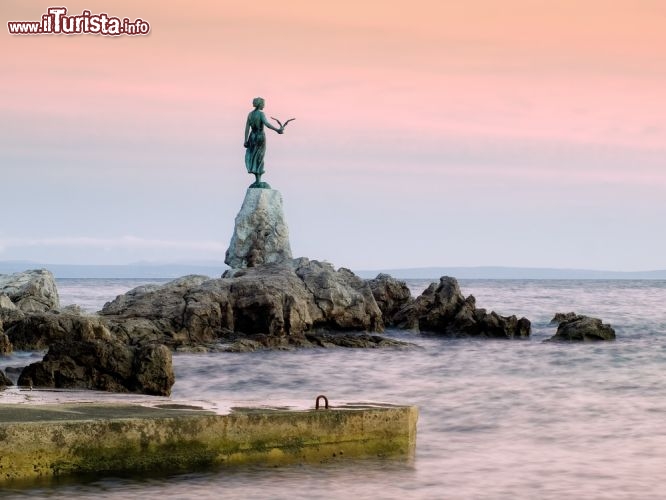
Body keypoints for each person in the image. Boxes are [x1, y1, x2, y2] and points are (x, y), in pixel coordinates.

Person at [244, 97, 283, 187]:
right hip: (260, 137)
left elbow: (247, 128)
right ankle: (258, 180)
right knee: (260, 157)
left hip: (252, 137)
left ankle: (257, 180)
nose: (264, 105)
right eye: (263, 104)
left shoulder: (250, 114)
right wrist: (277, 130)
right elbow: (267, 124)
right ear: (260, 104)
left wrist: (245, 140)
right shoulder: (261, 114)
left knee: (254, 156)